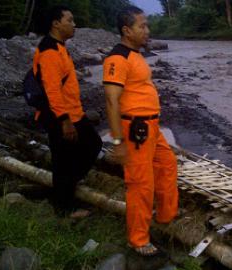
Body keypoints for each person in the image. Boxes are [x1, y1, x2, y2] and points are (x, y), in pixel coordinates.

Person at [102, 6, 179, 256]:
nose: (147, 30)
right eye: (142, 26)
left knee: (167, 165)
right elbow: (112, 101)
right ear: (127, 30)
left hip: (151, 127)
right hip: (135, 131)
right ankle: (138, 240)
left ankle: (165, 216)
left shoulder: (134, 54)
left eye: (147, 25)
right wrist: (118, 142)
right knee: (140, 185)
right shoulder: (117, 58)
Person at [33, 5, 102, 218]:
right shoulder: (49, 51)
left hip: (73, 112)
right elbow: (52, 90)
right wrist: (64, 121)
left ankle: (66, 189)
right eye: (70, 20)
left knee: (89, 146)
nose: (74, 25)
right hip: (60, 116)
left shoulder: (60, 47)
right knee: (65, 159)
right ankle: (64, 209)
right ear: (56, 23)